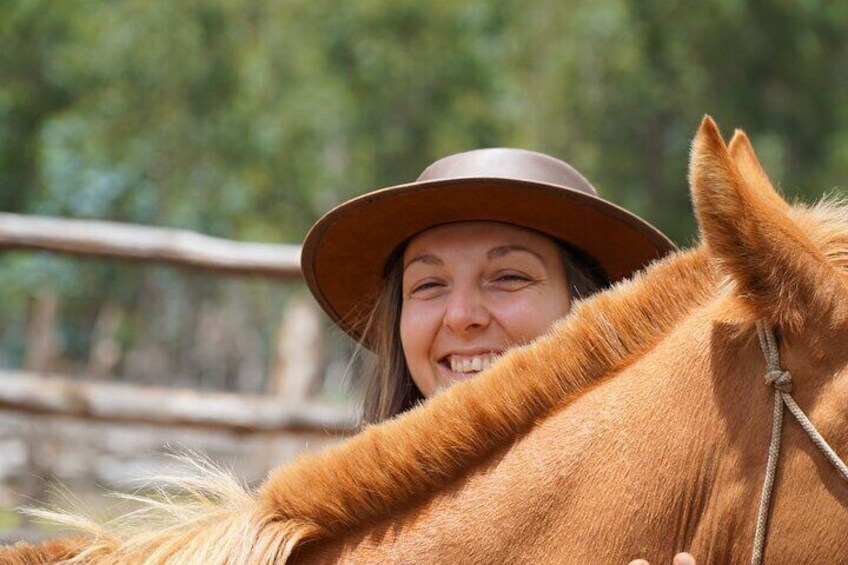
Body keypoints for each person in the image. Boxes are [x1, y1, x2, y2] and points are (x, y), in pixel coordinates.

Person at [301, 147, 693, 565]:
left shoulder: (682, 523)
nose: (462, 316)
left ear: (594, 309)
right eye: (429, 284)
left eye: (508, 277)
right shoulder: (327, 544)